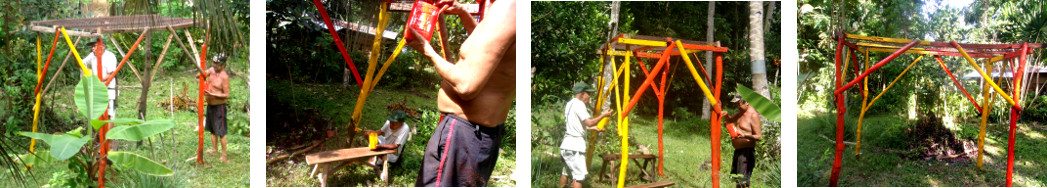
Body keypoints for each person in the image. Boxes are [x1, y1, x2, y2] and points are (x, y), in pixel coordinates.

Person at [404, 0, 516, 186]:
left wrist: (428, 51)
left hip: (464, 136)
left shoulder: (508, 7)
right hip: (476, 136)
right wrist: (464, 14)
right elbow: (490, 51)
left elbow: (466, 86)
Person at [558, 82, 613, 188]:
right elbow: (589, 122)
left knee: (566, 172)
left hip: (566, 145)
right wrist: (604, 115)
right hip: (575, 146)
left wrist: (594, 128)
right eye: (589, 94)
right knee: (578, 177)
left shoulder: (570, 104)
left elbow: (578, 125)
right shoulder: (579, 104)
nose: (589, 97)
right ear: (583, 94)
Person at [720, 94, 763, 188]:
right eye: (736, 104)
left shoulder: (753, 115)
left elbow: (759, 137)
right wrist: (727, 115)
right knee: (738, 180)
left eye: (739, 104)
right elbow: (731, 120)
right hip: (738, 151)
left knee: (743, 182)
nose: (737, 106)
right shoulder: (740, 112)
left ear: (747, 102)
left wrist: (745, 135)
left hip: (746, 152)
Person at [198, 54, 231, 162]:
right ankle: (214, 149)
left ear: (223, 65)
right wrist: (200, 74)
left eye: (217, 64)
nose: (214, 65)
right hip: (210, 106)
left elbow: (226, 95)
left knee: (220, 131)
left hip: (219, 107)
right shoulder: (211, 70)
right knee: (212, 129)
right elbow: (202, 74)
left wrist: (214, 95)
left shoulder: (224, 77)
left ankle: (225, 155)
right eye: (214, 62)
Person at [82, 39, 119, 120]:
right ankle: (98, 132)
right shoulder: (92, 55)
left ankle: (109, 132)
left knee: (109, 116)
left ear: (103, 46)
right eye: (92, 46)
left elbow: (110, 75)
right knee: (97, 115)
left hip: (108, 90)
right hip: (96, 90)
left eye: (95, 46)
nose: (93, 48)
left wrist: (95, 82)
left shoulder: (110, 56)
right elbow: (82, 64)